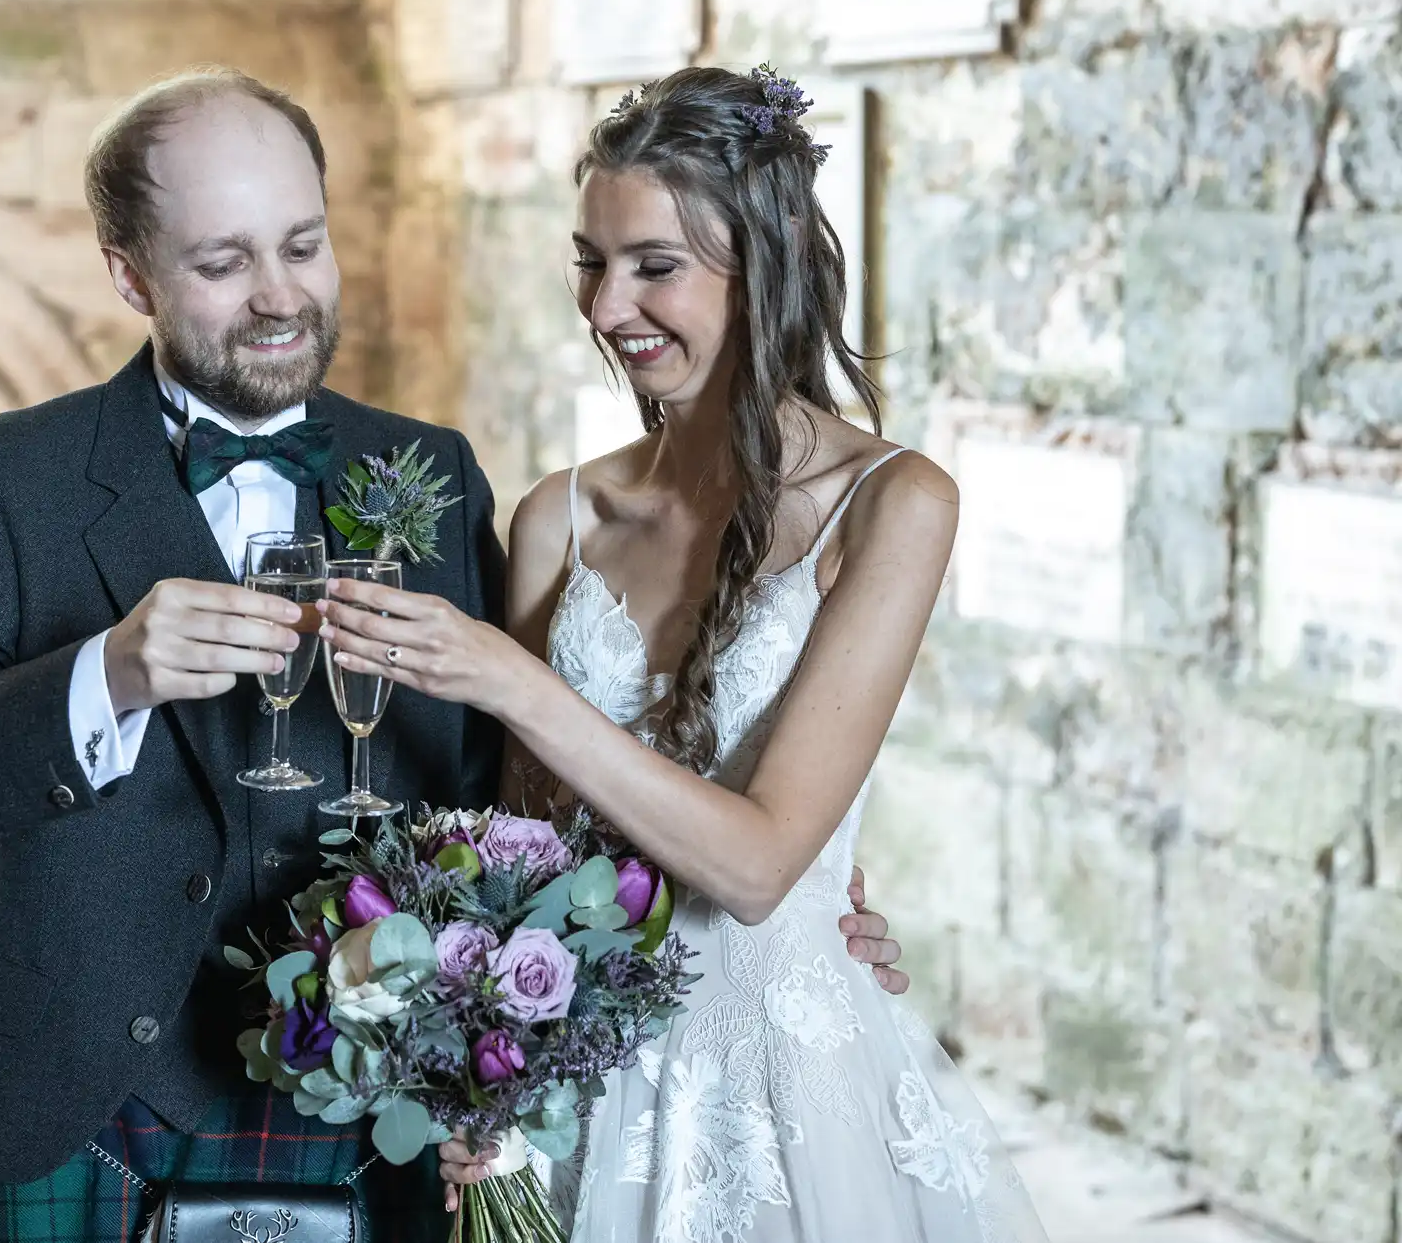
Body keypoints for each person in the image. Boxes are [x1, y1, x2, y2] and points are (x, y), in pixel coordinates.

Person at [0, 65, 909, 1243]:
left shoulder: (432, 477)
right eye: (221, 261)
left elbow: (518, 809)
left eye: (302, 244)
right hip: (71, 1098)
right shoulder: (2, 481)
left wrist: (806, 899)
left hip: (366, 1115)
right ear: (127, 272)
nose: (279, 296)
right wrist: (108, 676)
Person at [318, 66, 1047, 1241]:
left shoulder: (892, 503)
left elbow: (757, 872)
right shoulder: (559, 516)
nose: (608, 308)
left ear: (766, 266)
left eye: (654, 265)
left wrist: (511, 680)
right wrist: (473, 1067)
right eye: (591, 263)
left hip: (778, 1086)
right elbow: (518, 857)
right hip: (572, 1083)